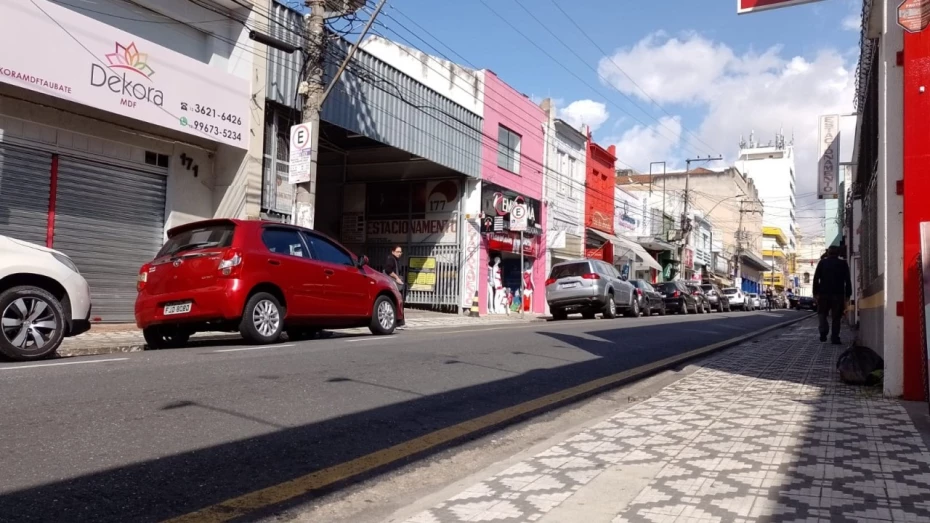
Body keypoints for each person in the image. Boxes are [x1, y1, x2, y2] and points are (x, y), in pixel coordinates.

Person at [812, 245, 852, 344]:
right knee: (836, 317)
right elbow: (847, 280)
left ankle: (823, 332)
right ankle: (835, 338)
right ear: (838, 253)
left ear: (828, 253)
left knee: (822, 314)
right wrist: (848, 294)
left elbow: (816, 278)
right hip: (838, 295)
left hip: (823, 294)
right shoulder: (843, 263)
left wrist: (815, 293)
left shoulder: (822, 263)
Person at [384, 245, 407, 329]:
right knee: (397, 302)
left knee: (399, 302)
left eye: (400, 252)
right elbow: (388, 270)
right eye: (397, 252)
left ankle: (400, 322)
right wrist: (397, 278)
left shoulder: (396, 260)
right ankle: (398, 323)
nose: (399, 253)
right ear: (393, 252)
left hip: (394, 283)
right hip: (393, 284)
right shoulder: (391, 259)